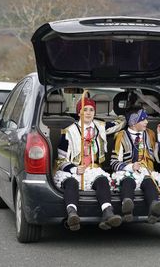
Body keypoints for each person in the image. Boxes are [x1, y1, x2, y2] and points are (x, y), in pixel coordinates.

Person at [53, 97, 125, 231]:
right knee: (71, 183)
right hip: (74, 170)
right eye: (84, 109)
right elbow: (60, 161)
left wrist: (123, 111)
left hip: (93, 169)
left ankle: (108, 213)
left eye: (91, 110)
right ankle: (72, 214)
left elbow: (120, 123)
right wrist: (74, 169)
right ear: (79, 112)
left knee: (102, 180)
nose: (88, 113)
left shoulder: (100, 126)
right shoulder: (68, 132)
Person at [110, 107, 160, 224]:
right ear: (133, 122)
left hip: (147, 172)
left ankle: (154, 207)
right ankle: (127, 207)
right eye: (143, 119)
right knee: (127, 182)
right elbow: (114, 162)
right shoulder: (122, 136)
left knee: (149, 182)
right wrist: (130, 167)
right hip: (128, 172)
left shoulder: (150, 134)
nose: (147, 122)